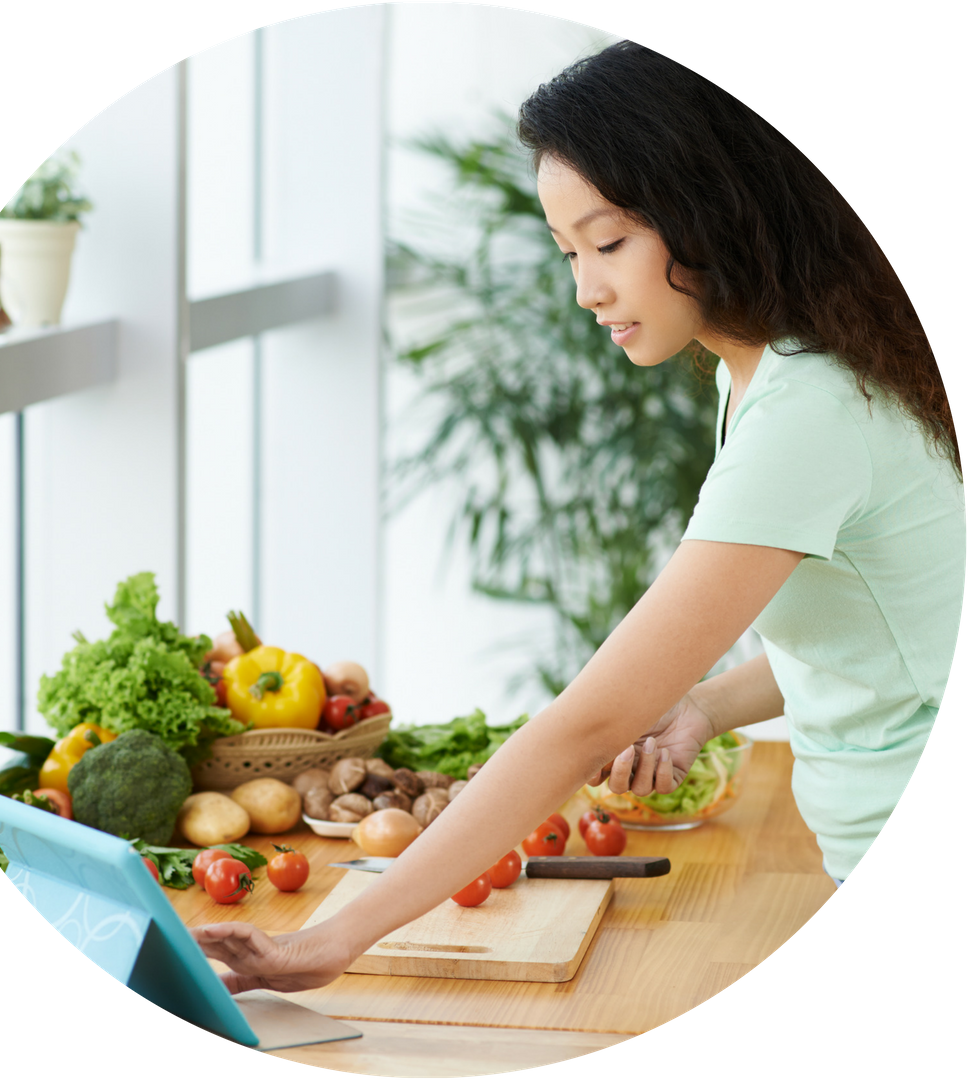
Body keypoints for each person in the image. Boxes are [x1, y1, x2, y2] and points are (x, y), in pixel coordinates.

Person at [190, 40, 964, 992]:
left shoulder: (809, 414)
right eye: (569, 252)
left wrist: (334, 939)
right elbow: (893, 642)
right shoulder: (776, 370)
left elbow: (583, 725)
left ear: (707, 209)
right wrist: (706, 706)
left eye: (609, 244)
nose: (587, 289)